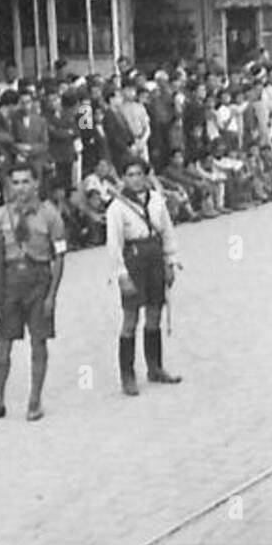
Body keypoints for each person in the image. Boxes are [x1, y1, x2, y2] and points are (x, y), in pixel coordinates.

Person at [0, 163, 67, 424]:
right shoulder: (1, 216)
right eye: (15, 183)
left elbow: (59, 256)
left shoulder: (50, 215)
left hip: (39, 281)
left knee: (39, 342)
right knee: (2, 344)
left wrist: (52, 295)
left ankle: (35, 400)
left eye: (26, 182)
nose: (21, 188)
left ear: (36, 184)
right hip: (10, 281)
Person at [106, 156, 180, 395]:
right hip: (134, 259)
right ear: (123, 178)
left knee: (154, 313)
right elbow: (114, 245)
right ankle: (127, 375)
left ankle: (155, 367)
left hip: (154, 256)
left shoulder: (157, 200)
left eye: (139, 174)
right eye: (130, 175)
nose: (136, 180)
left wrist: (170, 260)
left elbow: (167, 231)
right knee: (130, 319)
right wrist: (121, 275)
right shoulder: (117, 207)